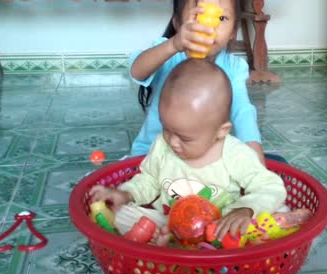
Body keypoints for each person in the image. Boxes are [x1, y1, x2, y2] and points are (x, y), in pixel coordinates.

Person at [91, 59, 287, 245]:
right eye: (167, 129)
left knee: (277, 211)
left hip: (219, 230)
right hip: (167, 224)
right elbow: (149, 179)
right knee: (120, 213)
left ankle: (171, 247)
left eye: (185, 138)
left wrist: (244, 210)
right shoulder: (162, 144)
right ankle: (167, 244)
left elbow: (270, 187)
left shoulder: (235, 154)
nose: (173, 142)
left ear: (221, 131)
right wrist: (125, 194)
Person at [129, 0, 266, 165]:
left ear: (232, 31)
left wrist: (256, 155)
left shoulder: (234, 67)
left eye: (221, 18)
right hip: (152, 157)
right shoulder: (169, 54)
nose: (209, 26)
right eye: (198, 16)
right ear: (178, 23)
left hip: (202, 160)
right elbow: (137, 71)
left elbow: (243, 112)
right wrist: (173, 44)